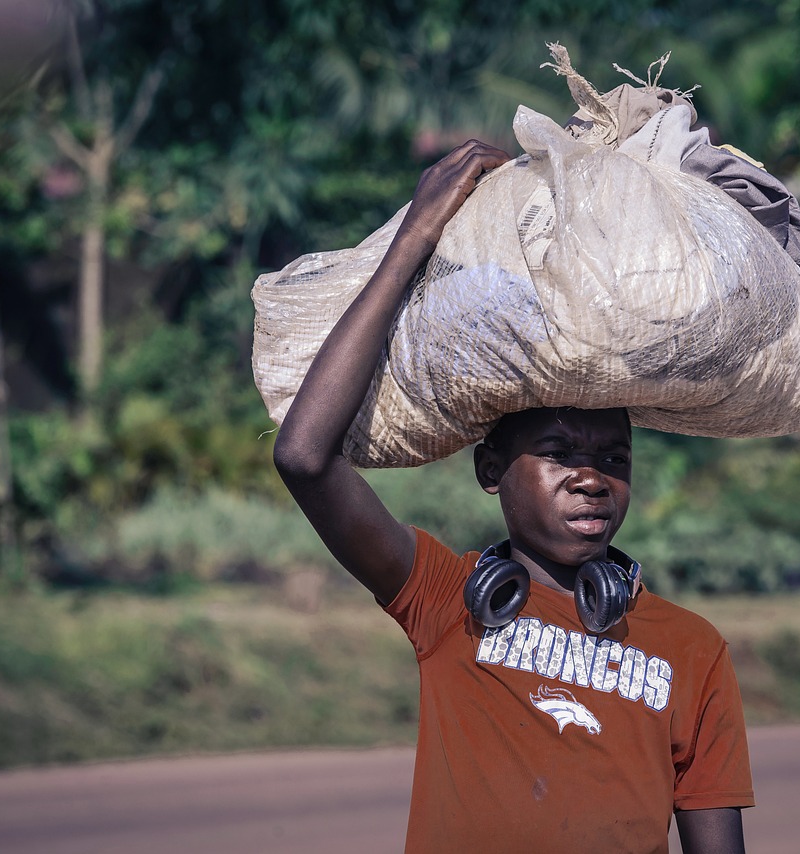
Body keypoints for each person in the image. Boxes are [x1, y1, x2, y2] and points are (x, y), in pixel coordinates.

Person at [272, 140, 754, 853]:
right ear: (490, 468)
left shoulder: (693, 649)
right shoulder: (443, 598)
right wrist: (415, 239)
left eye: (613, 459)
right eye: (559, 455)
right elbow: (304, 457)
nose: (592, 478)